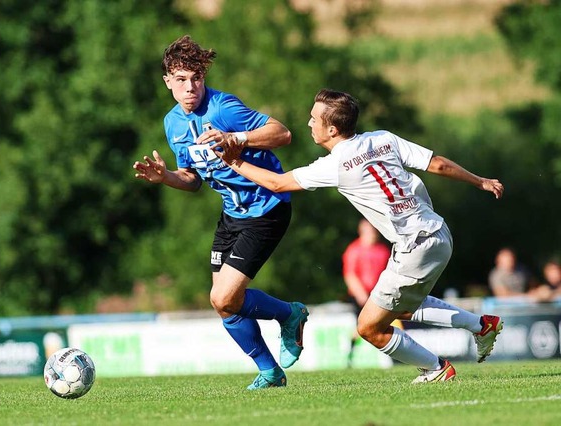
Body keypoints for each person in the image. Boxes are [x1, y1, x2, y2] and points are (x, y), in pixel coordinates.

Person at [215, 88, 504, 383]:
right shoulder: (383, 138)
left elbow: (276, 184)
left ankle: (436, 368)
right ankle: (482, 326)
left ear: (332, 128)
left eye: (314, 119)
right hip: (439, 233)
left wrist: (232, 161)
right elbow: (438, 164)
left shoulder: (335, 165)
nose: (308, 123)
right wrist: (479, 181)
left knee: (369, 328)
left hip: (414, 246)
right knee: (403, 307)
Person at [132, 35, 309, 390]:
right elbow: (192, 179)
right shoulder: (173, 124)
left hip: (266, 208)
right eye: (181, 79)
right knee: (226, 305)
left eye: (196, 78)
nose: (190, 87)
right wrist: (166, 177)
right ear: (167, 81)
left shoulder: (223, 107)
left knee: (222, 297)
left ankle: (289, 315)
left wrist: (237, 138)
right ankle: (271, 371)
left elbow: (282, 133)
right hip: (232, 215)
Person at [343, 219, 391, 308]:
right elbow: (350, 274)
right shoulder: (354, 250)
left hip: (380, 294)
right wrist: (360, 294)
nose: (373, 233)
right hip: (361, 296)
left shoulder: (383, 250)